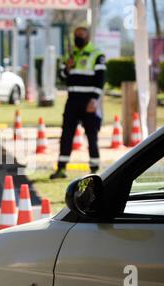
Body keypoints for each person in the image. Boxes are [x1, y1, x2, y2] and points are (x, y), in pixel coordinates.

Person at [50, 26, 106, 179]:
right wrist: (67, 68)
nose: (78, 38)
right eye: (76, 35)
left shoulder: (97, 54)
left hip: (88, 101)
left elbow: (100, 80)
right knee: (66, 135)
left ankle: (94, 170)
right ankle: (61, 169)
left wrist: (94, 99)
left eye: (81, 35)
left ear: (87, 37)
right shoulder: (72, 54)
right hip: (72, 101)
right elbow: (62, 77)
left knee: (91, 136)